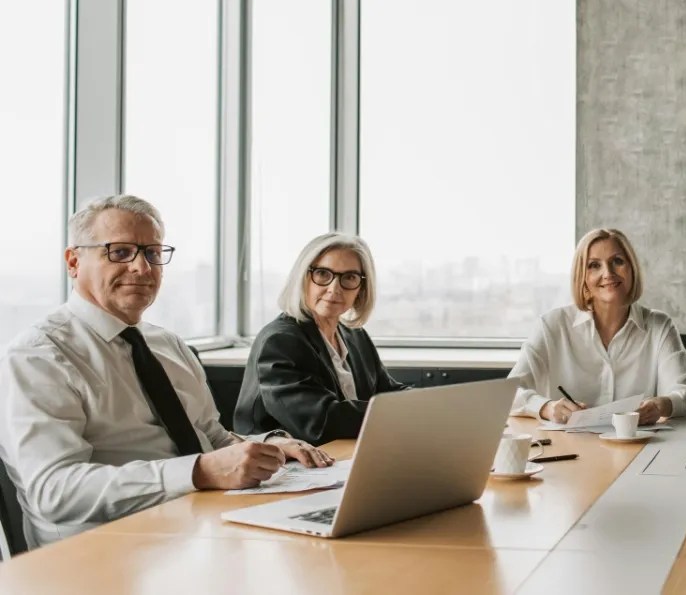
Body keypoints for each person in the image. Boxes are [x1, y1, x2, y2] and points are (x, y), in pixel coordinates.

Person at [0, 195, 330, 549]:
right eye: (121, 252)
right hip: (103, 554)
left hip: (200, 530)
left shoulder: (167, 345)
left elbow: (210, 436)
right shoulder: (39, 356)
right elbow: (55, 491)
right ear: (73, 261)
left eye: (153, 253)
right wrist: (199, 472)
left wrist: (265, 447)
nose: (143, 268)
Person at [509, 228, 686, 425]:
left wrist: (662, 405)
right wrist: (547, 408)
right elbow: (510, 394)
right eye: (594, 265)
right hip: (567, 449)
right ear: (582, 277)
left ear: (632, 269)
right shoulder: (551, 326)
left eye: (617, 261)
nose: (608, 273)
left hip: (638, 448)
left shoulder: (660, 326)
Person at [234, 233, 409, 445]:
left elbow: (387, 391)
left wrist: (428, 404)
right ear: (303, 277)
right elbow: (321, 421)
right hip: (287, 465)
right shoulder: (280, 340)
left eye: (349, 278)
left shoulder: (355, 336)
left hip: (345, 453)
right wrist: (403, 413)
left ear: (361, 289)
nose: (334, 288)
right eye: (323, 274)